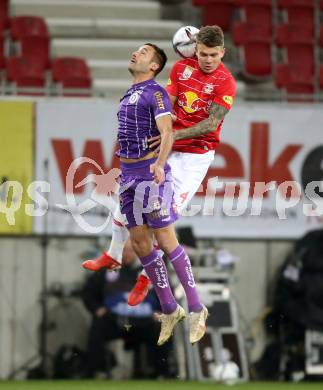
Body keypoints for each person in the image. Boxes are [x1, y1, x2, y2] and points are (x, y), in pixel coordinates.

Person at [83, 26, 236, 307]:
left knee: (162, 220)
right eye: (203, 54)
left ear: (222, 53)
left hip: (194, 158)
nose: (208, 60)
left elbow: (212, 124)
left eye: (214, 55)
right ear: (195, 50)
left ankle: (147, 277)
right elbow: (169, 103)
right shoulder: (180, 70)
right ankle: (114, 253)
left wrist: (172, 134)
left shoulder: (226, 82)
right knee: (128, 201)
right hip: (167, 148)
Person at [81, 240, 174, 378]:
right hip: (114, 321)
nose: (126, 254)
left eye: (130, 250)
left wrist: (162, 312)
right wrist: (97, 309)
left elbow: (168, 296)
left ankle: (161, 372)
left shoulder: (152, 270)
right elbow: (88, 292)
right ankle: (95, 371)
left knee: (163, 327)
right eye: (124, 251)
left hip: (145, 322)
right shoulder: (107, 269)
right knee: (98, 326)